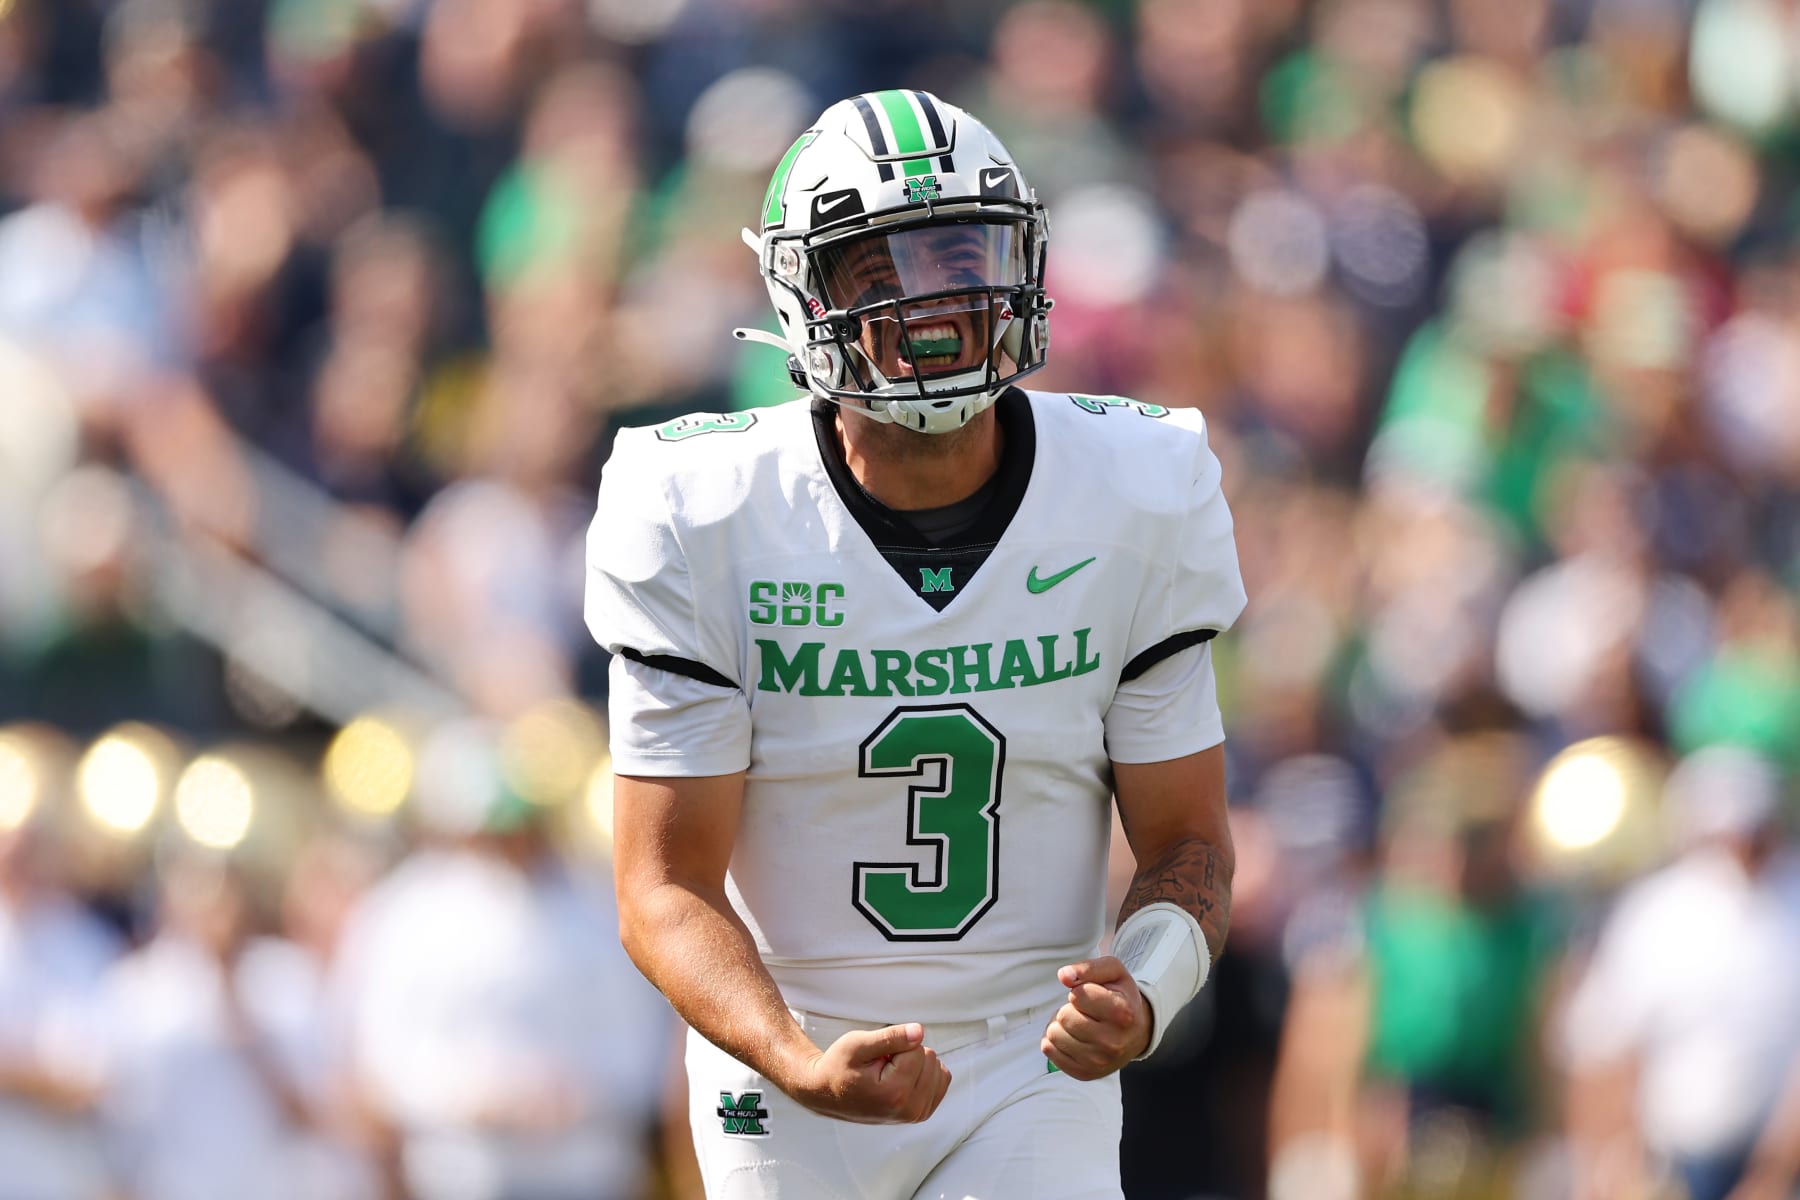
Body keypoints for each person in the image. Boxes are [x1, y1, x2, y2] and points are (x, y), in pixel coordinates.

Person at [586, 90, 1245, 1199]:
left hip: (1033, 1052)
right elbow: (662, 884)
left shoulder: (1138, 489)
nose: (931, 304)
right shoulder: (700, 508)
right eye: (877, 272)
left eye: (959, 255)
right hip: (791, 1055)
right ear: (803, 300)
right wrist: (794, 1058)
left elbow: (1189, 841)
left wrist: (1145, 989)